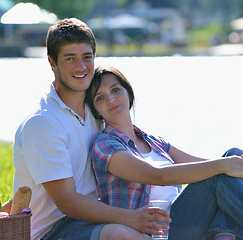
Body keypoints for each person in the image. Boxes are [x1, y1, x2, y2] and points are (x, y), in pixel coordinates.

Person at [85, 65, 243, 240]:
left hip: (188, 221)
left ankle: (225, 235)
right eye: (100, 98)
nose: (111, 99)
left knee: (228, 158)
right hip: (158, 231)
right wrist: (225, 165)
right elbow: (158, 176)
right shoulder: (105, 146)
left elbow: (206, 165)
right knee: (220, 170)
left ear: (128, 93)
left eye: (116, 90)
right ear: (96, 110)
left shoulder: (153, 141)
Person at [12, 18, 170, 240]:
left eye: (87, 57)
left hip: (94, 218)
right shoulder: (43, 122)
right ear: (52, 63)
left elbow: (138, 144)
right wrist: (130, 217)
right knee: (121, 234)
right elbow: (67, 202)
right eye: (70, 59)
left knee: (220, 178)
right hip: (53, 230)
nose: (81, 67)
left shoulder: (95, 108)